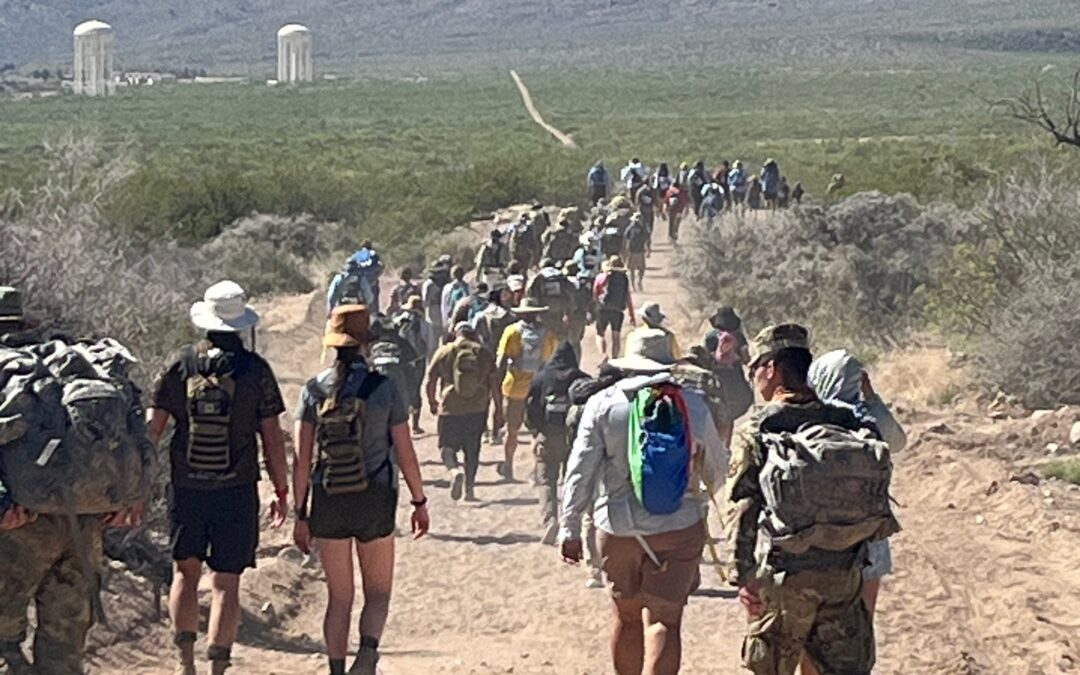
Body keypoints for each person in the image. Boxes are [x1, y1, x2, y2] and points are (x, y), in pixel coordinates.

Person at [726, 324, 899, 675]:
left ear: (771, 369)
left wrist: (743, 575)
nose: (754, 377)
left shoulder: (758, 428)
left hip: (785, 577)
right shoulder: (846, 421)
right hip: (844, 572)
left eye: (755, 368)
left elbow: (743, 506)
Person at [560, 330, 728, 675]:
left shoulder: (603, 403)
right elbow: (718, 470)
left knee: (626, 616)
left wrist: (570, 527)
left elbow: (580, 470)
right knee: (665, 621)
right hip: (680, 526)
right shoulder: (693, 404)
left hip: (618, 527)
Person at [0, 287, 147, 675]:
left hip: (20, 526)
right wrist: (128, 496)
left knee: (3, 643)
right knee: (64, 647)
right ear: (25, 325)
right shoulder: (65, 365)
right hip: (84, 523)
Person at [149, 280, 290, 675]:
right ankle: (218, 667)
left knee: (185, 573)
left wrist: (138, 485)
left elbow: (153, 429)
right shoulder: (255, 370)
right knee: (227, 582)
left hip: (186, 486)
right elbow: (273, 439)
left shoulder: (179, 364)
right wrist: (280, 489)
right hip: (237, 487)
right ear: (241, 323)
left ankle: (185, 662)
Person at [291, 305, 430, 675]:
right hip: (375, 498)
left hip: (328, 498)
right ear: (366, 345)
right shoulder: (384, 387)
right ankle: (367, 655)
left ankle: (336, 670)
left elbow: (302, 460)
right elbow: (405, 452)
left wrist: (300, 513)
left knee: (339, 597)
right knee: (378, 592)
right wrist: (419, 501)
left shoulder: (312, 391)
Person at [809, 349, 908, 617]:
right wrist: (872, 397)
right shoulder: (869, 418)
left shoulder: (810, 419)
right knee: (863, 620)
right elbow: (898, 441)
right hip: (870, 533)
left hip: (821, 536)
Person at [425, 321, 503, 503]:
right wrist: (498, 409)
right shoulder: (484, 352)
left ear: (455, 333)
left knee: (446, 446)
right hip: (477, 407)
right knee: (472, 449)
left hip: (450, 407)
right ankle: (469, 490)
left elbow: (430, 378)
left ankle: (454, 471)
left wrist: (432, 401)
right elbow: (494, 384)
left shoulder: (444, 351)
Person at [525, 341, 588, 544]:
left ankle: (550, 520)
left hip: (547, 436)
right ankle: (570, 523)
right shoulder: (583, 380)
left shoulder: (542, 378)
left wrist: (535, 431)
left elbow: (530, 408)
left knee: (546, 481)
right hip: (574, 439)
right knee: (572, 481)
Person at [496, 298, 558, 482]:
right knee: (537, 432)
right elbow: (550, 361)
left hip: (514, 387)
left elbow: (500, 361)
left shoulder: (512, 331)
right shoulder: (548, 335)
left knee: (512, 431)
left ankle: (508, 467)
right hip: (538, 388)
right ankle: (536, 471)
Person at [394, 296, 433, 435]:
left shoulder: (397, 321)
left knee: (400, 389)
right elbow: (430, 344)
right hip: (418, 360)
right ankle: (415, 425)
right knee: (415, 389)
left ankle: (400, 424)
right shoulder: (424, 324)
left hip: (400, 361)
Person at [593, 256, 635, 361]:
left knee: (600, 334)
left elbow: (595, 294)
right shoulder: (624, 278)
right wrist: (631, 314)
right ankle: (615, 359)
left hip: (603, 308)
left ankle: (603, 355)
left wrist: (596, 306)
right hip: (618, 310)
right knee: (616, 335)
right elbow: (628, 297)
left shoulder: (601, 277)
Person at [526, 258, 575, 342]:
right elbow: (571, 291)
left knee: (544, 332)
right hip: (559, 309)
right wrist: (568, 310)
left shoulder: (539, 276)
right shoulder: (560, 275)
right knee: (559, 333)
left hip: (543, 309)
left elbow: (529, 290)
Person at [328, 241, 384, 314]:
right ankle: (373, 315)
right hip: (367, 282)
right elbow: (381, 266)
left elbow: (331, 295)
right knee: (371, 302)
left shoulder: (356, 255)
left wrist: (330, 309)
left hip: (350, 288)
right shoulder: (373, 254)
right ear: (370, 246)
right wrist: (375, 277)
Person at [421, 256, 453, 359]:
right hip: (436, 314)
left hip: (436, 314)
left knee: (436, 343)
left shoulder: (431, 284)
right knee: (434, 344)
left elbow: (425, 302)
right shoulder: (431, 284)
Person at [563, 261, 593, 360]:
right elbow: (589, 300)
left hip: (565, 315)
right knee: (576, 342)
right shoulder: (582, 283)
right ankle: (576, 363)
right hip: (580, 315)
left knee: (565, 341)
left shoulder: (563, 283)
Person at [623, 214, 650, 292]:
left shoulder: (642, 227)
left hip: (638, 250)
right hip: (634, 251)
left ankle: (637, 282)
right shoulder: (633, 228)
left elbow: (647, 238)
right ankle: (634, 284)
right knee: (634, 269)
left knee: (639, 269)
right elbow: (626, 237)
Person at [440, 265, 470, 329]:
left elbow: (444, 304)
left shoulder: (448, 288)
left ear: (452, 275)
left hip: (451, 317)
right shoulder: (467, 287)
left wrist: (444, 320)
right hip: (464, 316)